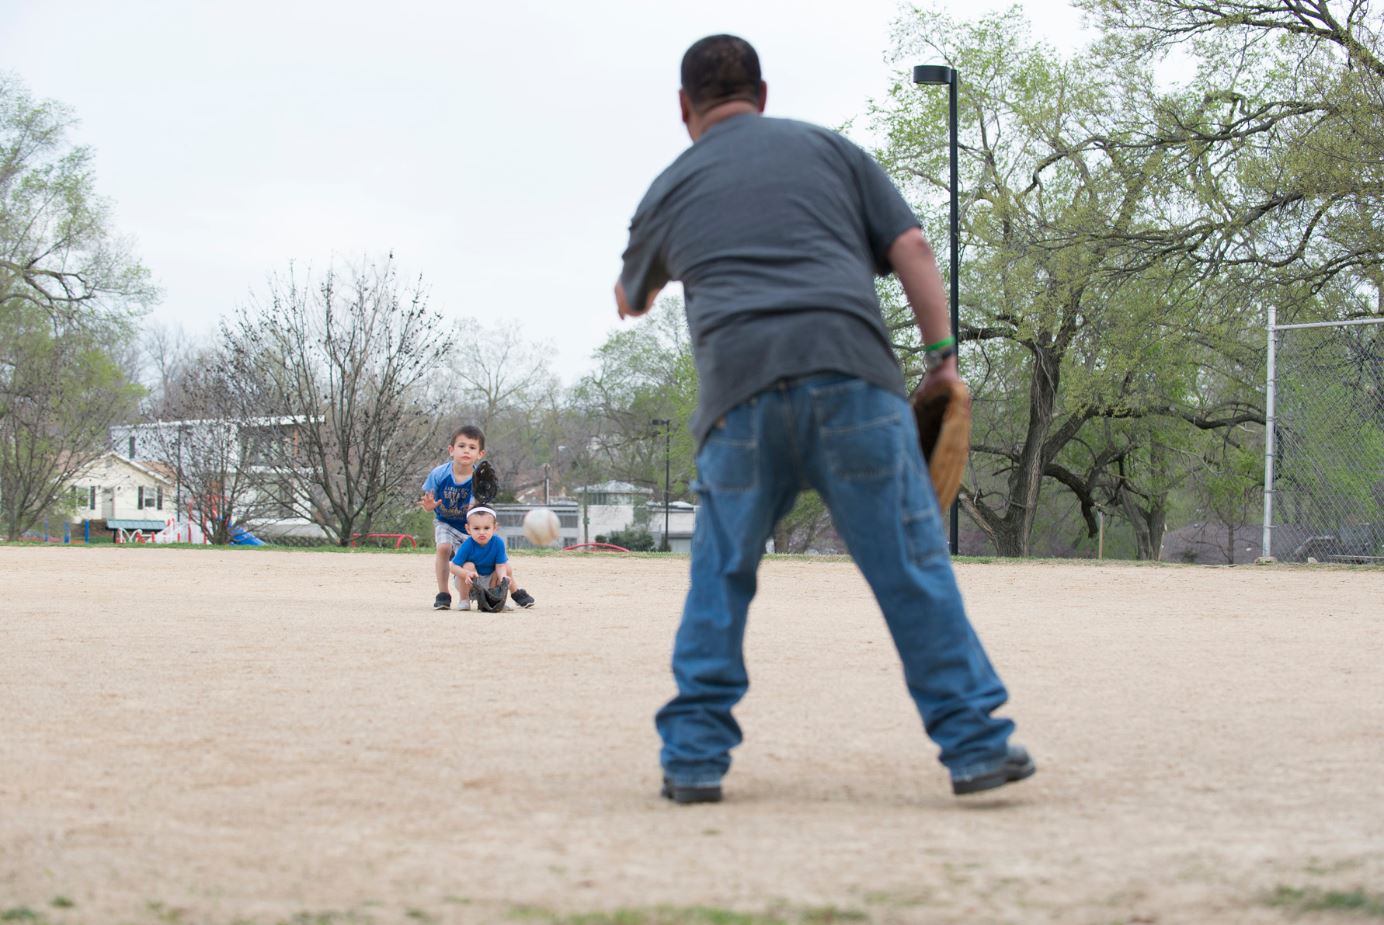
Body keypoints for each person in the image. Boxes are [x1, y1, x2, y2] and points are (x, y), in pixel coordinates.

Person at [616, 34, 1034, 803]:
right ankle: (975, 745)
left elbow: (631, 298)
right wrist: (942, 356)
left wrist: (656, 269)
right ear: (763, 94)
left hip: (739, 395)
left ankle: (693, 761)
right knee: (911, 567)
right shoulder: (833, 153)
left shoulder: (671, 184)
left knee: (721, 576)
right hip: (854, 380)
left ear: (685, 109)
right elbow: (910, 244)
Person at [421, 425, 485, 610]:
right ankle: (443, 593)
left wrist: (477, 508)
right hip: (445, 522)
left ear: (480, 454)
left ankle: (468, 591)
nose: (466, 451)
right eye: (461, 446)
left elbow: (480, 512)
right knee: (443, 548)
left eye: (472, 447)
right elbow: (428, 502)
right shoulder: (439, 474)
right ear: (451, 450)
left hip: (467, 528)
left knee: (468, 564)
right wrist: (428, 507)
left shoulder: (479, 479)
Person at [448, 506, 536, 610]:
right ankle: (464, 600)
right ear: (468, 529)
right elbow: (452, 567)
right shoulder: (467, 545)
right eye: (476, 528)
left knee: (506, 568)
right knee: (468, 565)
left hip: (490, 582)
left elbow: (500, 566)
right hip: (470, 583)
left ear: (494, 528)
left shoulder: (498, 543)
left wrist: (503, 578)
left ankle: (495, 600)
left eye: (486, 528)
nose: (481, 532)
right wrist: (466, 573)